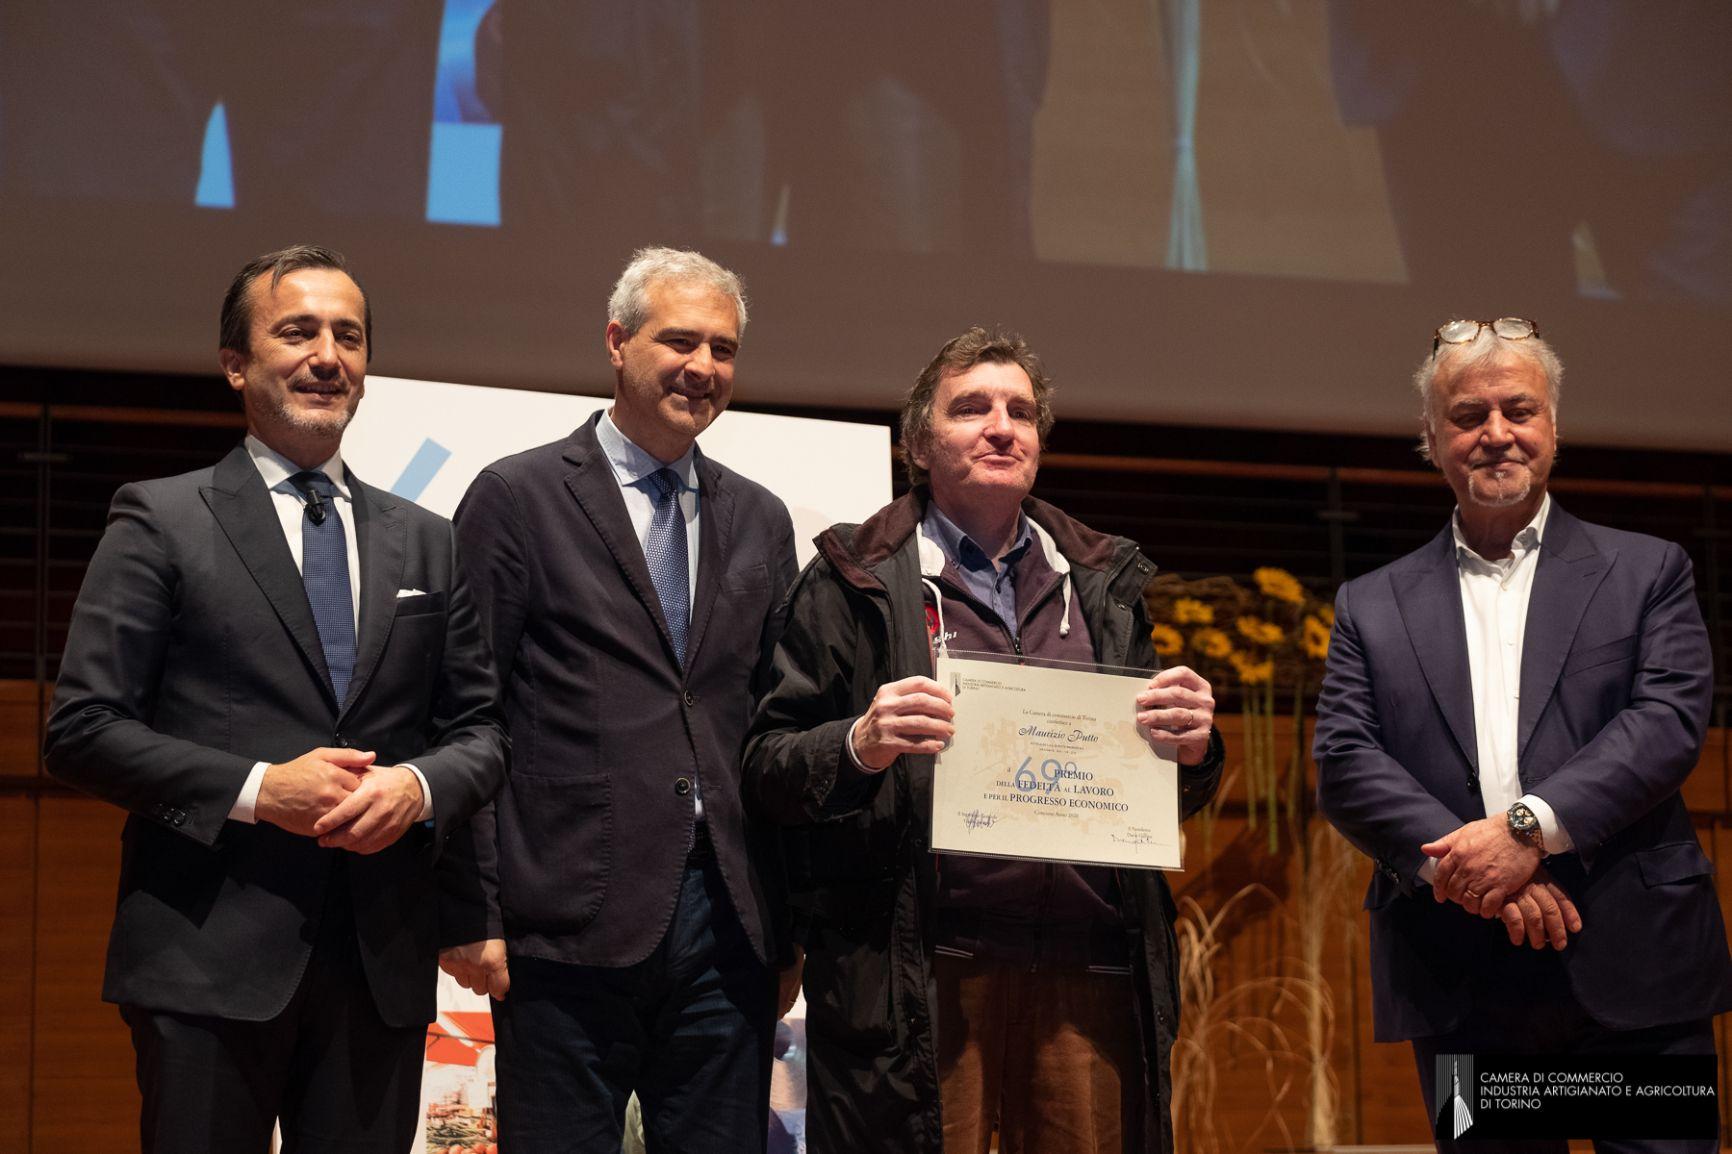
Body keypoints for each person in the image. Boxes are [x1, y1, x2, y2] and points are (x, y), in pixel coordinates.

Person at [43, 244, 507, 1152]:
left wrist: (417, 789)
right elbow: (82, 729)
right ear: (235, 363)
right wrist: (261, 790)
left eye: (349, 336)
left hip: (380, 962)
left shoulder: (429, 540)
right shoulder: (161, 517)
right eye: (297, 331)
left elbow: (479, 730)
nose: (327, 355)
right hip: (204, 956)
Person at [743, 326, 1224, 1153]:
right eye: (972, 408)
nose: (1002, 427)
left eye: (1022, 412)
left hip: (1088, 970)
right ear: (919, 444)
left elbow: (1160, 788)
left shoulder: (1103, 580)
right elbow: (767, 765)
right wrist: (859, 742)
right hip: (922, 971)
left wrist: (1193, 749)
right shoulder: (852, 578)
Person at [1314, 317, 1732, 1152]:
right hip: (1464, 975)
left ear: (1553, 430)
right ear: (1431, 441)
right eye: (1469, 416)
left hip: (1633, 966)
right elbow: (1347, 763)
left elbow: (1668, 722)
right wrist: (1482, 874)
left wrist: (1523, 832)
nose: (1496, 433)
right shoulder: (1372, 603)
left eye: (1519, 410)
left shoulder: (1649, 571)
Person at [440, 246, 798, 1151]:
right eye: (679, 340)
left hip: (728, 925)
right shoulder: (517, 497)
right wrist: (470, 910)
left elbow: (774, 726)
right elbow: (468, 710)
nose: (703, 367)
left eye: (723, 349)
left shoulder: (760, 516)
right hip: (564, 918)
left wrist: (791, 928)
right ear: (615, 341)